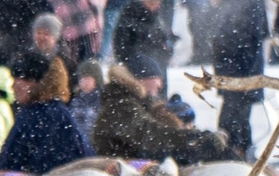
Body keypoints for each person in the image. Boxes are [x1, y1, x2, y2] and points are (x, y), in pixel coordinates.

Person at [92, 64, 236, 164]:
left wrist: (199, 137)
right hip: (124, 170)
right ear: (139, 80)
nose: (160, 84)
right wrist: (199, 139)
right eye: (156, 78)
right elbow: (155, 136)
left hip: (140, 162)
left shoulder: (138, 104)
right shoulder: (121, 106)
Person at [208, 0, 270, 157]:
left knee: (233, 120)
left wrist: (226, 47)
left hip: (241, 68)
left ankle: (237, 154)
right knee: (236, 119)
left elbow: (245, 34)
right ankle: (238, 153)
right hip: (235, 67)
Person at [0, 51, 89, 175]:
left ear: (33, 82)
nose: (13, 86)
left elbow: (9, 166)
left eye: (18, 80)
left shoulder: (33, 116)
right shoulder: (60, 112)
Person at [108, 0, 176, 92]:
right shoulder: (128, 19)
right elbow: (121, 49)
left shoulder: (156, 19)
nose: (156, 6)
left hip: (158, 72)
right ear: (142, 1)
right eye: (152, 3)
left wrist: (167, 49)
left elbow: (164, 40)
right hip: (139, 74)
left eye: (158, 3)